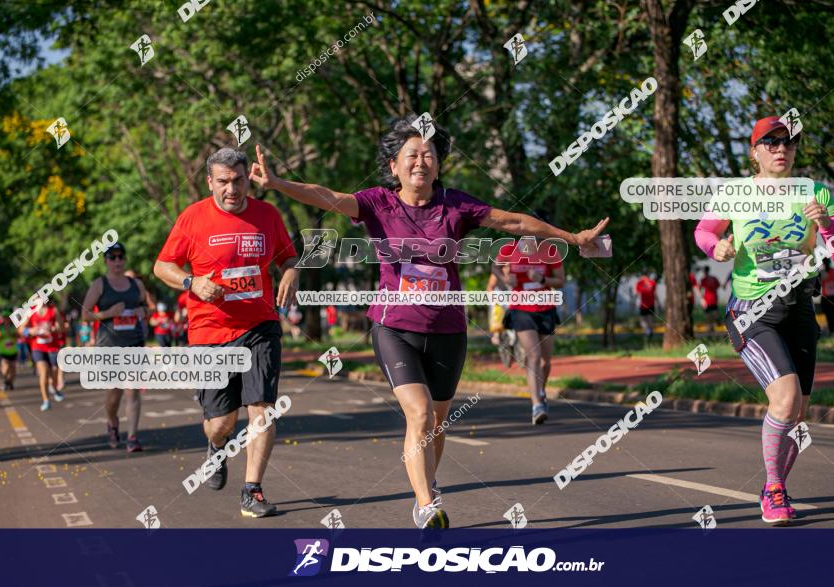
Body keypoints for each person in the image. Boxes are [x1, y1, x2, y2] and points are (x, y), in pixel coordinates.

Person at [247, 116, 608, 528]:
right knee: (418, 415)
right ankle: (424, 504)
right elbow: (326, 196)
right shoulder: (377, 202)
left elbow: (514, 222)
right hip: (394, 326)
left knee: (436, 421)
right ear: (394, 166)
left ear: (438, 165)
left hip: (448, 329)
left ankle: (428, 484)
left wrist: (572, 238)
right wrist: (277, 184)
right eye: (412, 155)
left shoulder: (456, 204)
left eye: (429, 155)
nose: (421, 162)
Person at [694, 116, 834, 525]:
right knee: (784, 400)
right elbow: (703, 231)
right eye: (770, 143)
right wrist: (718, 247)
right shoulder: (736, 194)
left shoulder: (815, 192)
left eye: (787, 143)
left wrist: (826, 225)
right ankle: (775, 488)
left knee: (797, 411)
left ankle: (772, 487)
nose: (780, 149)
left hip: (800, 308)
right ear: (755, 152)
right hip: (753, 310)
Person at [154, 147, 298, 518]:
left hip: (259, 327)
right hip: (209, 332)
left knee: (262, 411)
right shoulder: (193, 218)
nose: (232, 190)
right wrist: (191, 282)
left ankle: (253, 492)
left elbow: (288, 257)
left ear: (247, 179)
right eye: (223, 182)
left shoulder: (267, 215)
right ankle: (217, 448)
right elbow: (162, 265)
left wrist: (291, 272)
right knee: (221, 423)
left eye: (238, 181)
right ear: (209, 183)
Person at [81, 242, 149, 452]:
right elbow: (85, 315)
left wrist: (142, 312)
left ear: (125, 259)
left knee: (132, 391)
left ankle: (132, 437)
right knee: (114, 394)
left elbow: (146, 307)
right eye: (113, 257)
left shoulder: (136, 284)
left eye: (121, 257)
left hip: (134, 343)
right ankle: (112, 422)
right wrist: (108, 313)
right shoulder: (99, 285)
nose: (117, 261)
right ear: (106, 261)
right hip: (110, 346)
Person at [494, 235, 564, 425]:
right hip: (521, 309)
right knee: (533, 355)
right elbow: (495, 267)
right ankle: (537, 406)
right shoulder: (510, 248)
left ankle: (541, 391)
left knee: (545, 361)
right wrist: (506, 279)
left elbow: (560, 281)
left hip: (545, 308)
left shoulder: (550, 251)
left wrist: (542, 279)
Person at [20, 299, 65, 411]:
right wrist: (30, 331)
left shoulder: (53, 310)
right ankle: (46, 400)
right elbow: (21, 329)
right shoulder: (30, 311)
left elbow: (62, 328)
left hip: (52, 347)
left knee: (54, 372)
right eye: (36, 297)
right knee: (43, 373)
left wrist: (53, 328)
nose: (38, 300)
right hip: (37, 347)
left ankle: (54, 388)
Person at [0, 312, 20, 390]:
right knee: (6, 368)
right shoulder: (0, 326)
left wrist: (14, 335)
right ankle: (6, 381)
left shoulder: (13, 326)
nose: (6, 319)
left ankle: (9, 382)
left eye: (7, 317)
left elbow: (19, 334)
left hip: (13, 350)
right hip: (3, 351)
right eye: (4, 317)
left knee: (13, 368)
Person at [635, 270, 658, 341]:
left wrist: (634, 304)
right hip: (651, 304)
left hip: (643, 305)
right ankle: (650, 331)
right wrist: (658, 304)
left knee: (643, 320)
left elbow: (637, 294)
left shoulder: (639, 283)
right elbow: (655, 294)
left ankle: (647, 331)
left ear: (642, 275)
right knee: (650, 319)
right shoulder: (652, 282)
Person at [699, 266, 722, 331]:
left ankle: (711, 327)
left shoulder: (703, 280)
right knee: (714, 312)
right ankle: (714, 324)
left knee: (709, 314)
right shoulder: (713, 278)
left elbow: (700, 289)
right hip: (712, 298)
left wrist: (702, 299)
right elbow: (718, 286)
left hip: (708, 299)